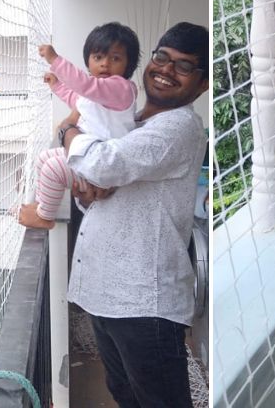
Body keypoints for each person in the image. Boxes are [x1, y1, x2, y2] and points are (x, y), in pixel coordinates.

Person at [20, 21, 208, 407]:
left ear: (203, 85)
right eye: (162, 58)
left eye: (184, 66)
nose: (167, 70)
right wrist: (86, 192)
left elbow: (103, 165)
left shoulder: (178, 127)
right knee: (125, 395)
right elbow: (98, 191)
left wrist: (67, 133)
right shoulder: (134, 123)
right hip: (107, 295)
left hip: (144, 304)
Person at [18, 22, 140, 229]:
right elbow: (77, 99)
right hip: (91, 157)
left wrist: (55, 60)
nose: (105, 64)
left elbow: (84, 86)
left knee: (52, 170)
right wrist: (56, 85)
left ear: (128, 65)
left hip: (103, 166)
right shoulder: (97, 91)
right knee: (43, 158)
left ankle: (45, 217)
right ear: (89, 60)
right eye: (98, 57)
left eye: (115, 58)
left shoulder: (121, 89)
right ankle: (43, 205)